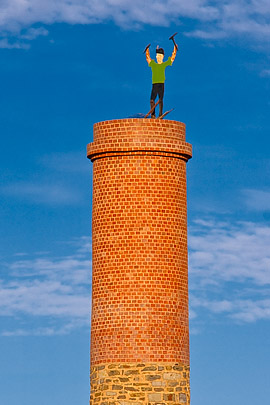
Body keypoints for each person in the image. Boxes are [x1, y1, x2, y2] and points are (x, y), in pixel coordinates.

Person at [146, 44, 177, 118]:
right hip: (154, 83)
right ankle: (153, 114)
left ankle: (160, 114)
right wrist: (147, 50)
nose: (157, 57)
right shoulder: (153, 64)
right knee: (152, 100)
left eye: (159, 56)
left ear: (162, 57)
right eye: (157, 56)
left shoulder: (164, 64)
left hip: (161, 83)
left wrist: (175, 48)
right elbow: (148, 58)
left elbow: (172, 58)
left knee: (160, 99)